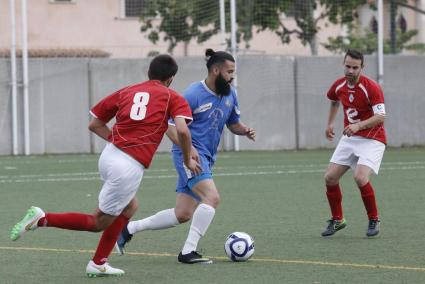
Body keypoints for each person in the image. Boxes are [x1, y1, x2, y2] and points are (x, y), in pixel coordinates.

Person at [10, 54, 201, 277]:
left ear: (149, 73)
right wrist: (188, 158)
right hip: (128, 166)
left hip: (109, 156)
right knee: (97, 222)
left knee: (130, 207)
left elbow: (95, 124)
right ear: (170, 79)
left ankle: (99, 262)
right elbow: (183, 130)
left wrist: (119, 143)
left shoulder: (127, 91)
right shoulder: (172, 96)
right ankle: (42, 219)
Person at [115, 48, 256, 264]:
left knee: (182, 214)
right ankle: (188, 251)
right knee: (212, 198)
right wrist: (189, 151)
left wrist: (244, 130)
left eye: (233, 72)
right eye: (229, 71)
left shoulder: (230, 94)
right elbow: (169, 127)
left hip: (206, 158)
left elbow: (233, 123)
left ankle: (127, 230)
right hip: (188, 156)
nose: (232, 76)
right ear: (216, 70)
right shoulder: (192, 94)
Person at [321, 49, 386, 237]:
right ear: (343, 64)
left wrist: (358, 126)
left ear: (362, 68)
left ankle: (374, 219)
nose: (350, 71)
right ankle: (338, 219)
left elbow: (381, 116)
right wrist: (330, 123)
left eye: (355, 67)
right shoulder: (339, 85)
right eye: (348, 66)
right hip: (350, 137)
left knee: (360, 177)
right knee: (330, 178)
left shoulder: (371, 87)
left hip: (373, 139)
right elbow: (334, 101)